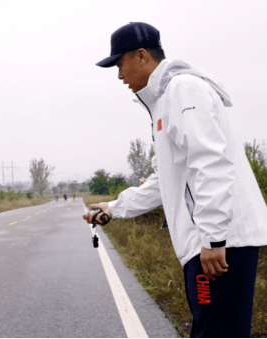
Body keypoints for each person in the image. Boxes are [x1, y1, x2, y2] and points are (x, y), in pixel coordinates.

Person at [83, 22, 267, 337]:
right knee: (213, 329)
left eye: (120, 64)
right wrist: (115, 206)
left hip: (220, 243)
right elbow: (165, 181)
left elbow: (209, 162)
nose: (119, 76)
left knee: (216, 332)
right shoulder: (165, 100)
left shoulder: (182, 90)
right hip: (211, 241)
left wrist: (212, 238)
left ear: (141, 56)